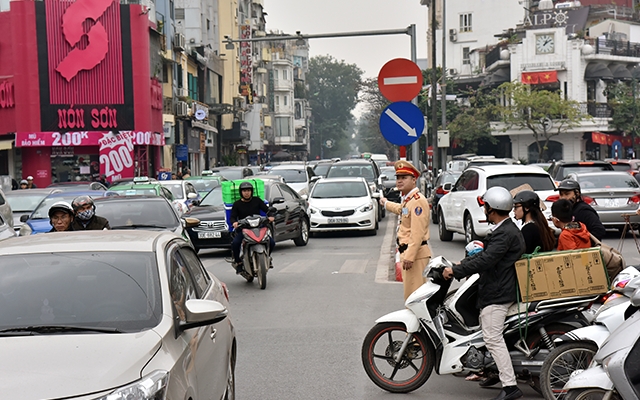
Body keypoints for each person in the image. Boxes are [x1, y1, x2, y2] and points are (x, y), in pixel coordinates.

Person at [442, 186, 525, 400]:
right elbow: (484, 255)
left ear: (493, 209)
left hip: (498, 293)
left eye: (486, 207)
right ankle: (494, 372)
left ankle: (510, 386)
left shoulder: (505, 234)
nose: (485, 211)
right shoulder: (504, 230)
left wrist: (456, 270)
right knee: (492, 337)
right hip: (497, 288)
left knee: (492, 338)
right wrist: (460, 263)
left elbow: (487, 260)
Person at [379, 160, 431, 300]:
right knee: (411, 296)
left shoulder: (417, 201)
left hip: (415, 255)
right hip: (410, 254)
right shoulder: (409, 200)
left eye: (404, 178)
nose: (399, 181)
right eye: (398, 178)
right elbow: (401, 210)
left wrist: (409, 256)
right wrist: (385, 203)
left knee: (415, 299)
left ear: (414, 180)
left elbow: (417, 232)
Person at [229, 182, 275, 273]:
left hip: (258, 228)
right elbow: (233, 216)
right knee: (235, 243)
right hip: (244, 229)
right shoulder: (237, 204)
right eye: (244, 191)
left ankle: (267, 258)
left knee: (272, 242)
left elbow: (267, 210)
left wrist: (271, 216)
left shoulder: (257, 200)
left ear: (252, 191)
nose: (247, 193)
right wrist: (234, 222)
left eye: (249, 190)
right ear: (241, 192)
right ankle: (238, 263)